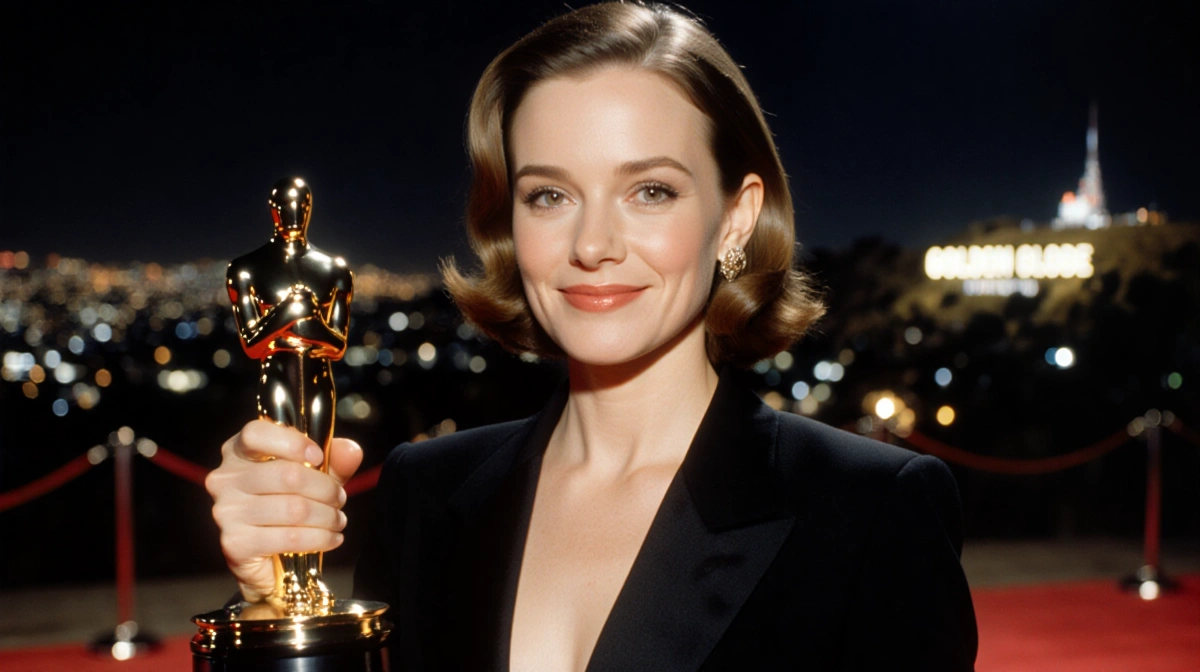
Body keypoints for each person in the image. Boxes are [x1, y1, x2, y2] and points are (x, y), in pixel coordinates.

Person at [205, 2, 979, 670]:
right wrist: (272, 610)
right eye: (549, 194)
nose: (593, 243)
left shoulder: (869, 511)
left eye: (650, 190)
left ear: (735, 217)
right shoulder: (428, 493)